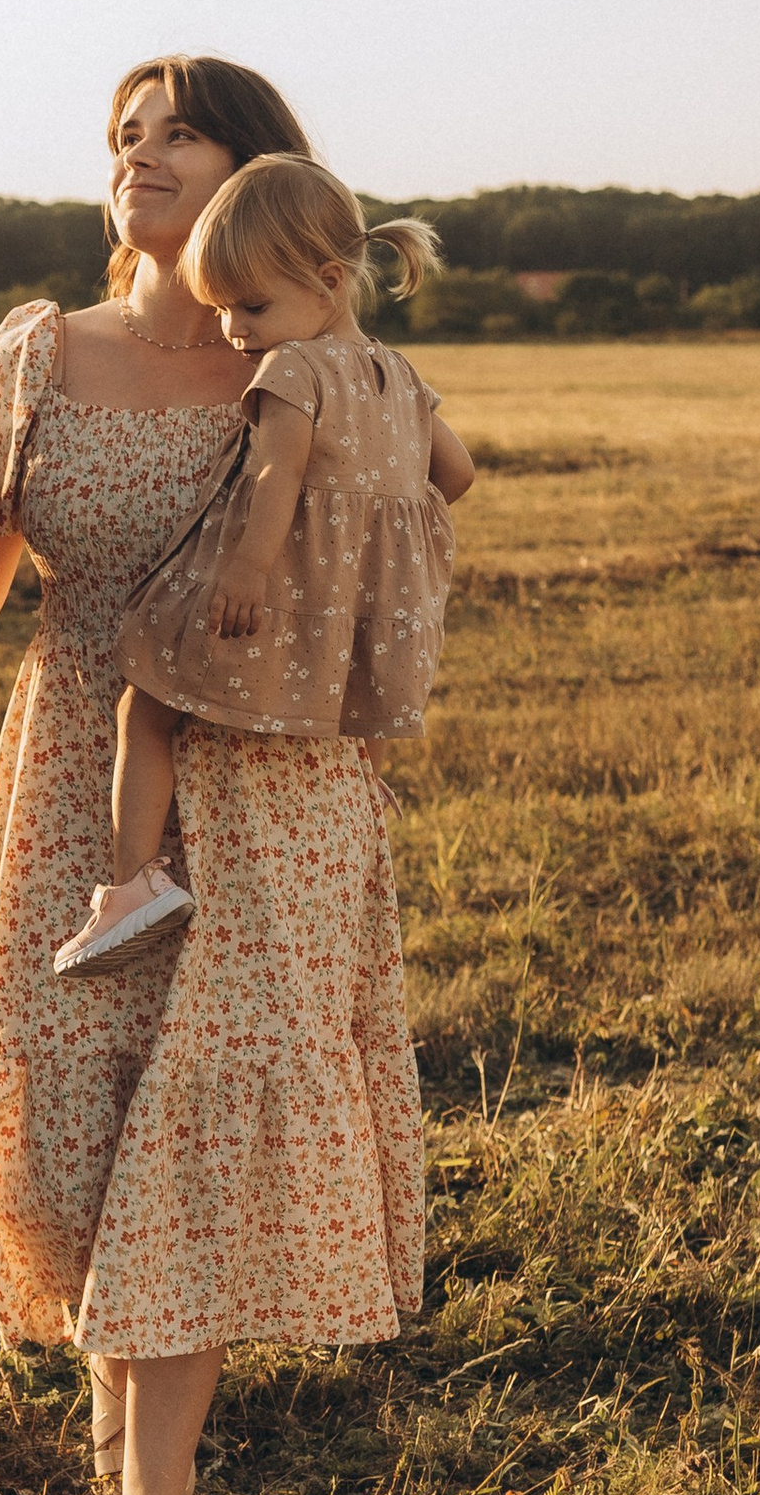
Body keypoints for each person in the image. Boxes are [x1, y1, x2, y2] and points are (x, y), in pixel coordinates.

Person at [0, 61, 444, 1495]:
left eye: (178, 133)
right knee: (85, 1102)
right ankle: (121, 1457)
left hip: (274, 792)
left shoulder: (319, 367)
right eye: (122, 137)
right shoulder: (38, 354)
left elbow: (420, 514)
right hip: (78, 767)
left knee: (207, 1128)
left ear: (261, 177)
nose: (139, 155)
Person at [55, 154, 472, 978]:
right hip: (360, 613)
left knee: (146, 703)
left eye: (250, 306)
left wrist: (248, 569)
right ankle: (361, 801)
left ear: (325, 280)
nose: (234, 332)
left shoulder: (293, 368)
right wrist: (376, 529)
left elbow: (275, 474)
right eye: (222, 311)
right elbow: (454, 476)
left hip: (275, 598)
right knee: (362, 707)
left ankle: (131, 883)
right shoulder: (400, 374)